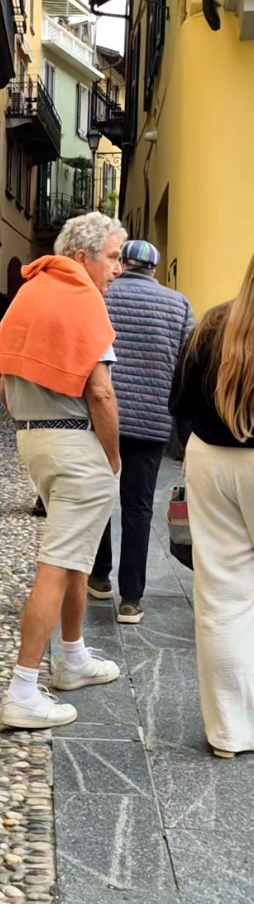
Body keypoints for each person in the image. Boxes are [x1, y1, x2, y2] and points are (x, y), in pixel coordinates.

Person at [0, 212, 125, 729]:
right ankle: (24, 688)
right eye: (112, 257)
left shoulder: (27, 295)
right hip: (76, 444)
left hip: (35, 439)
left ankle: (73, 658)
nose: (116, 269)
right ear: (82, 257)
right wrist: (111, 458)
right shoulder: (82, 301)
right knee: (57, 562)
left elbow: (4, 386)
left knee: (73, 556)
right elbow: (101, 391)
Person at [169, 255, 254, 759]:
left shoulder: (214, 324)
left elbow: (179, 402)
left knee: (221, 598)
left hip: (213, 458)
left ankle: (228, 732)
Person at [88, 240, 195, 623]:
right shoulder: (178, 304)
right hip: (152, 421)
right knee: (138, 507)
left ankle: (99, 576)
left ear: (123, 263)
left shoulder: (101, 297)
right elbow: (188, 364)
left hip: (104, 416)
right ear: (153, 269)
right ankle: (130, 599)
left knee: (100, 496)